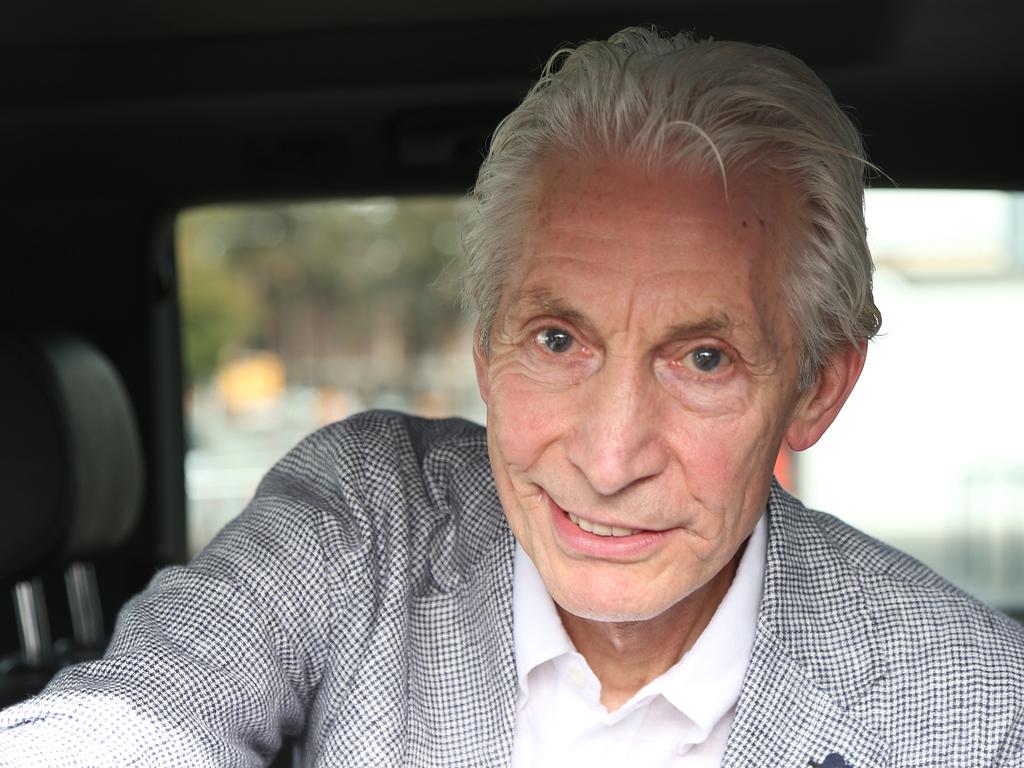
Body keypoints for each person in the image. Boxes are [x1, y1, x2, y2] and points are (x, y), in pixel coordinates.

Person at [2, 26, 1022, 768]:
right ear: (484, 350)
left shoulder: (971, 704)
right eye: (556, 339)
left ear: (815, 390)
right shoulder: (365, 521)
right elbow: (128, 722)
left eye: (703, 359)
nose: (611, 457)